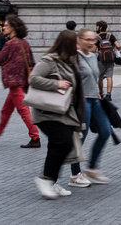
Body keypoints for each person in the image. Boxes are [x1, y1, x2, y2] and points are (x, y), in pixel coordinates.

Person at [30, 30, 85, 198]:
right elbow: (33, 78)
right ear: (67, 44)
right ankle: (46, 180)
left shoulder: (70, 61)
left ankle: (51, 182)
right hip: (46, 111)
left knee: (57, 145)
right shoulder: (49, 60)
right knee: (63, 142)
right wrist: (56, 84)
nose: (78, 47)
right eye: (75, 44)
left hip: (62, 112)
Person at [0, 14, 39, 148]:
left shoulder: (11, 44)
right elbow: (31, 62)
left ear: (13, 27)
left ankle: (35, 137)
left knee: (23, 110)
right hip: (19, 81)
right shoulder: (24, 43)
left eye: (6, 25)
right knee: (6, 110)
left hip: (14, 81)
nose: (3, 27)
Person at [67, 28, 113, 188]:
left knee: (106, 131)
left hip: (94, 100)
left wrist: (98, 93)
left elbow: (94, 78)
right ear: (78, 40)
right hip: (81, 101)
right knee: (80, 137)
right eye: (87, 39)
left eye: (92, 39)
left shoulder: (93, 56)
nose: (91, 42)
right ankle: (75, 174)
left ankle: (92, 167)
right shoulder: (73, 58)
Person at [95, 20, 120, 101]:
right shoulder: (111, 36)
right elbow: (118, 46)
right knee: (109, 76)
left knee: (100, 77)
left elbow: (94, 49)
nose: (96, 28)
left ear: (100, 27)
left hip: (101, 60)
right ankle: (109, 94)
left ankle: (101, 93)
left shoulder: (97, 38)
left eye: (97, 26)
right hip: (111, 59)